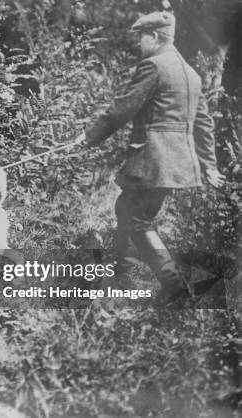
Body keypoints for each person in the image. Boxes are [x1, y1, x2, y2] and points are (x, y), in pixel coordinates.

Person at [74, 11, 225, 306]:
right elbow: (204, 123)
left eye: (141, 37)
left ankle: (175, 288)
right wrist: (209, 165)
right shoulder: (191, 74)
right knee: (126, 208)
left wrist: (88, 138)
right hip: (177, 163)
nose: (139, 44)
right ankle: (121, 273)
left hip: (154, 159)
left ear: (154, 36)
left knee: (138, 220)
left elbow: (121, 109)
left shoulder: (154, 66)